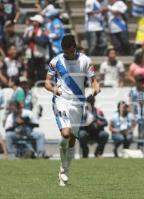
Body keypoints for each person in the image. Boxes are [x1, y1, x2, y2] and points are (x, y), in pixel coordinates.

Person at [44, 34, 100, 186]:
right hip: (61, 100)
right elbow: (47, 82)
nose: (68, 54)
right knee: (66, 133)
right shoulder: (56, 61)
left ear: (74, 47)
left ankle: (64, 170)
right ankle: (63, 167)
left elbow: (94, 81)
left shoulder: (85, 61)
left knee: (72, 140)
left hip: (78, 103)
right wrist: (54, 89)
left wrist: (96, 88)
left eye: (70, 51)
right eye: (66, 52)